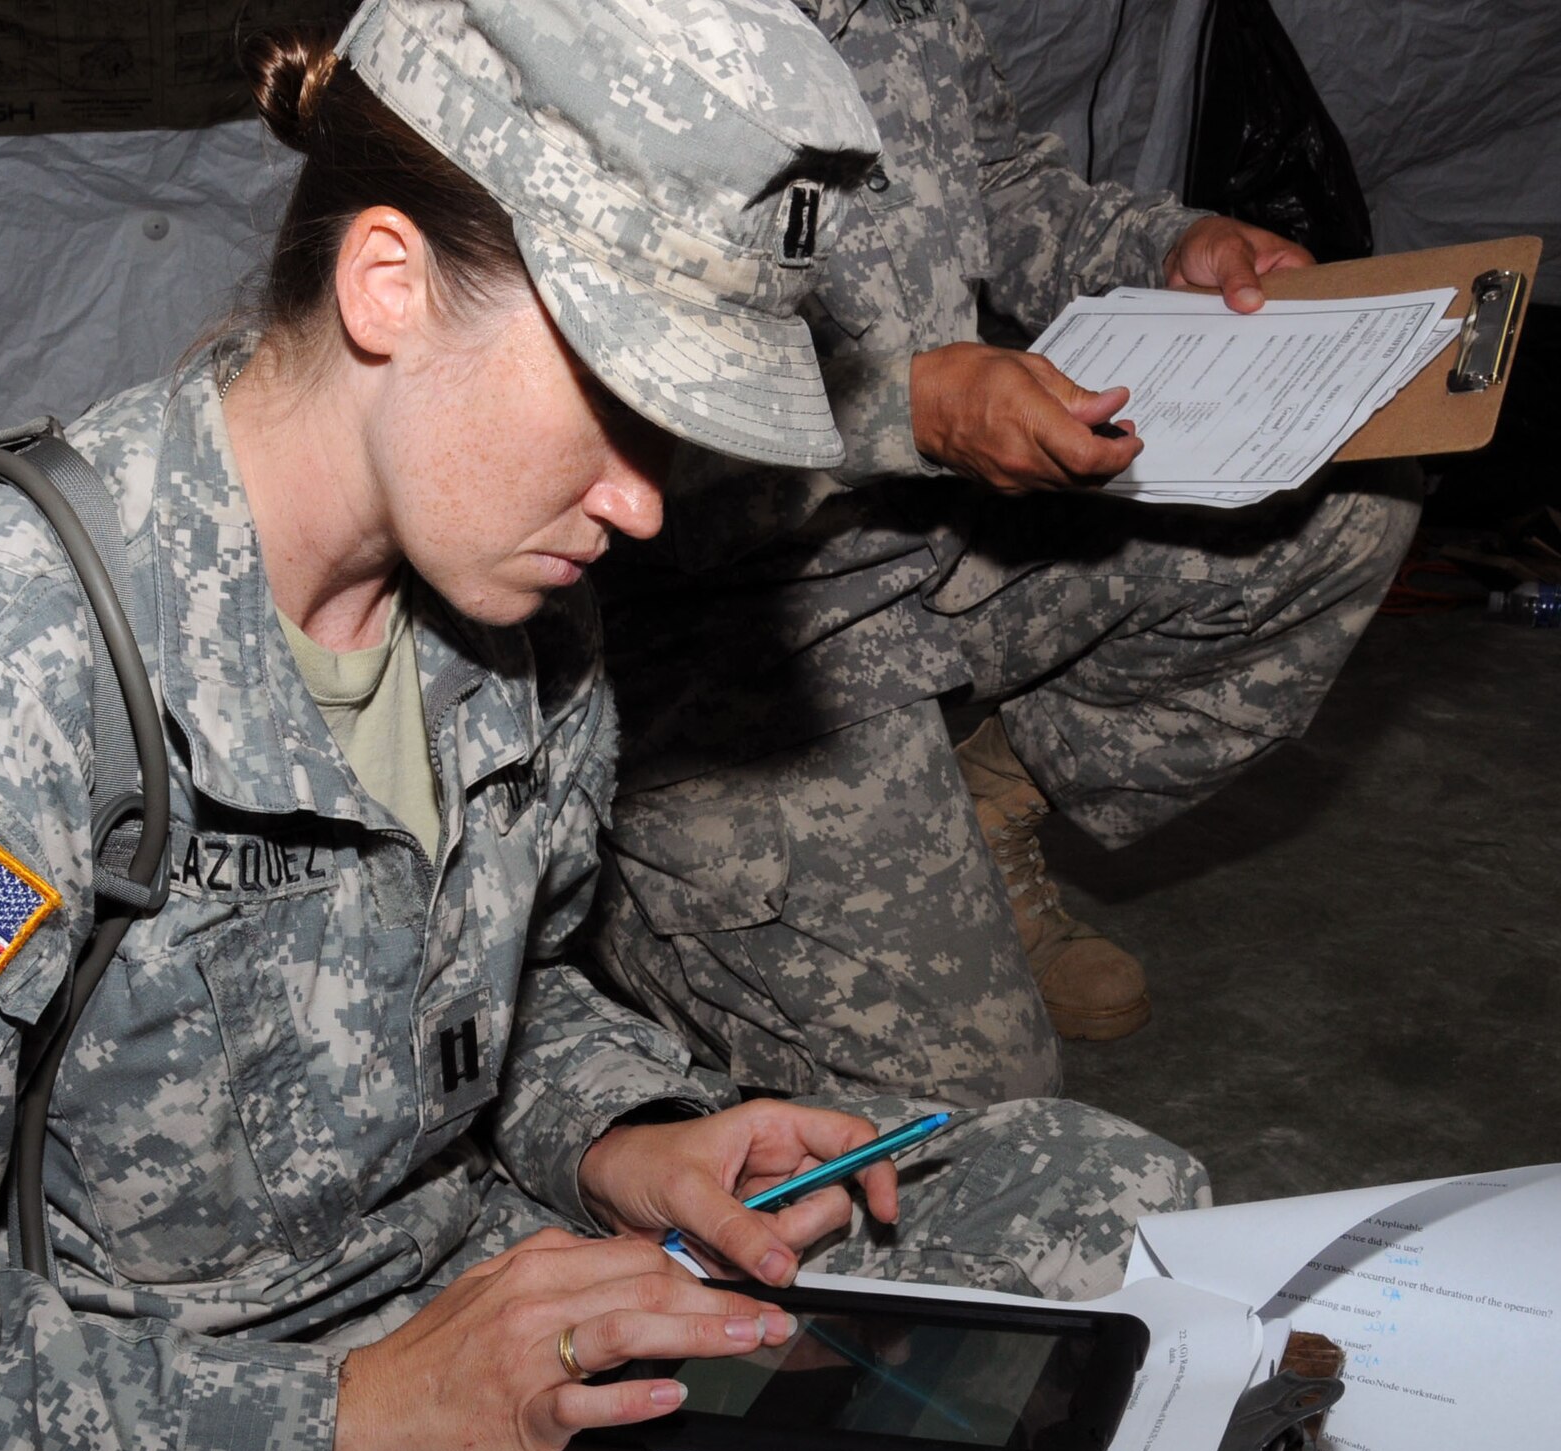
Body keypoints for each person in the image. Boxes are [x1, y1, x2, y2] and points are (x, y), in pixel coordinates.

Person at [0, 2, 1249, 1451]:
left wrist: (633, 1128)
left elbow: (500, 989)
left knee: (1132, 1251)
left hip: (478, 1280)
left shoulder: (511, 591)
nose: (650, 503)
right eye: (628, 402)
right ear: (387, 283)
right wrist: (343, 1413)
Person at [585, 0, 1422, 1107]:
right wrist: (909, 412)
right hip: (709, 630)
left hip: (932, 526)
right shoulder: (596, 31)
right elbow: (570, 417)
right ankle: (610, 920)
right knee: (967, 1115)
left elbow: (1005, 184)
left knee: (1341, 503)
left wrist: (1163, 247)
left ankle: (979, 815)